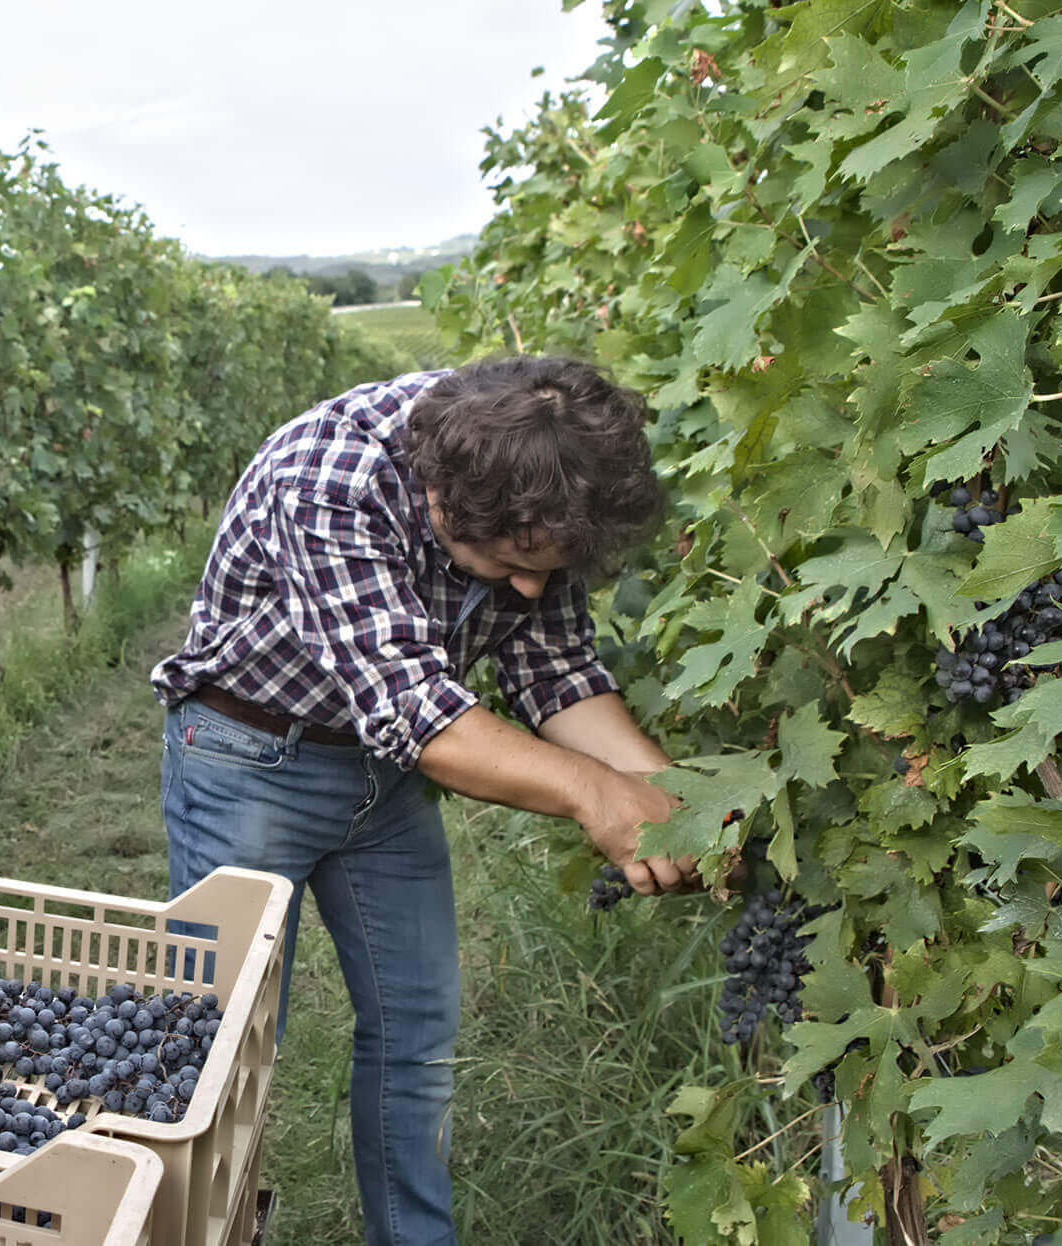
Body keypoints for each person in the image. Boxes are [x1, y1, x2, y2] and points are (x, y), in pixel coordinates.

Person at [149, 355, 697, 1245]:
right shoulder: (327, 479)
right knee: (222, 1052)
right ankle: (194, 1231)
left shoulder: (542, 473)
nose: (528, 589)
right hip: (248, 758)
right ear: (443, 497)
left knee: (419, 1036)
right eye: (511, 564)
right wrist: (595, 796)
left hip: (388, 776)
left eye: (546, 570)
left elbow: (554, 672)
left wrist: (678, 801)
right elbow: (422, 715)